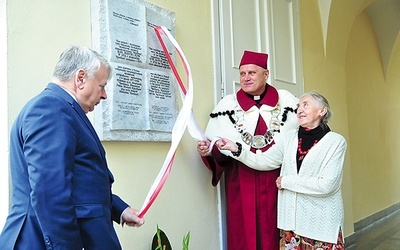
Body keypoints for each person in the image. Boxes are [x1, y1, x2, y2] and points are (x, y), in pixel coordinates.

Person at [0, 45, 144, 249]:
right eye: (102, 86)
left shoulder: (62, 108)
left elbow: (80, 182)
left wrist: (119, 209)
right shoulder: (51, 109)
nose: (104, 95)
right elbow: (50, 194)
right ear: (81, 78)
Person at [217, 91, 347, 249]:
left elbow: (327, 184)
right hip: (291, 226)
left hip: (321, 226)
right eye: (298, 106)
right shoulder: (290, 138)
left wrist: (286, 181)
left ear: (322, 111)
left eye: (306, 105)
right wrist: (236, 149)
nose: (300, 109)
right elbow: (264, 160)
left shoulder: (336, 142)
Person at [197, 50, 299, 250]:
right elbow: (219, 147)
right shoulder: (228, 105)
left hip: (276, 183)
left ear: (266, 74)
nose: (246, 78)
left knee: (276, 234)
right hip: (240, 182)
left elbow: (298, 143)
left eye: (252, 73)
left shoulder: (287, 102)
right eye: (242, 74)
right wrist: (209, 151)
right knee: (243, 236)